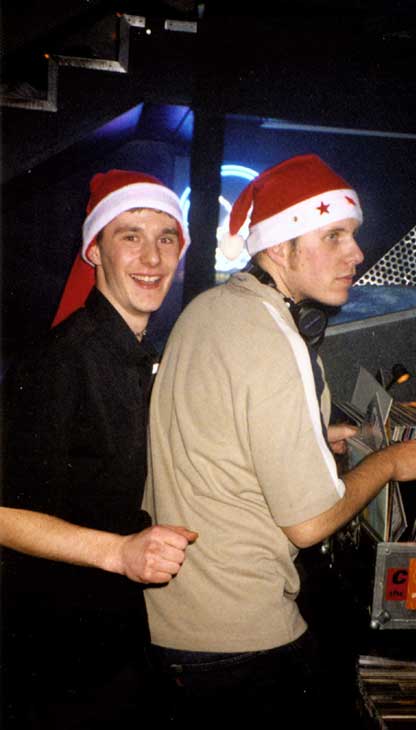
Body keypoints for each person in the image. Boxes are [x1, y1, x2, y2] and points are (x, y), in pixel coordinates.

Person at [142, 154, 416, 725]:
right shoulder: (277, 337)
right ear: (280, 248)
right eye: (334, 236)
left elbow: (220, 427)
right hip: (242, 635)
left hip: (178, 618)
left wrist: (312, 436)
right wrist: (387, 463)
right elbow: (309, 523)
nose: (356, 253)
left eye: (353, 235)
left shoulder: (211, 308)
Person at [1, 169, 196, 729]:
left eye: (166, 238)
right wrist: (120, 553)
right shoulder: (59, 362)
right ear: (94, 251)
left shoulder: (137, 351)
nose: (152, 257)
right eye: (130, 235)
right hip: (56, 641)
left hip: (110, 626)